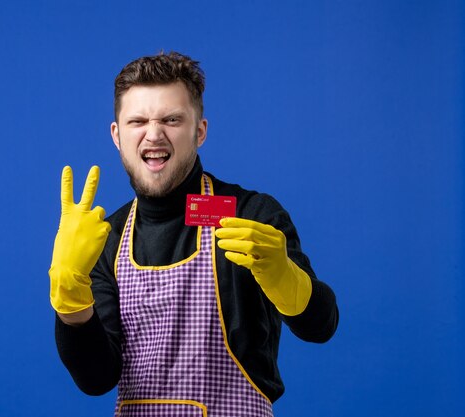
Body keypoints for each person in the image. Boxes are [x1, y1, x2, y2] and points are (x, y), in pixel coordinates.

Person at [49, 51, 338, 417]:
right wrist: (70, 300)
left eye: (171, 119)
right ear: (117, 135)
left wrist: (286, 278)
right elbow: (97, 379)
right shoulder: (105, 237)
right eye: (137, 121)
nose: (154, 135)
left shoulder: (250, 216)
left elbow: (322, 326)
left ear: (199, 130)